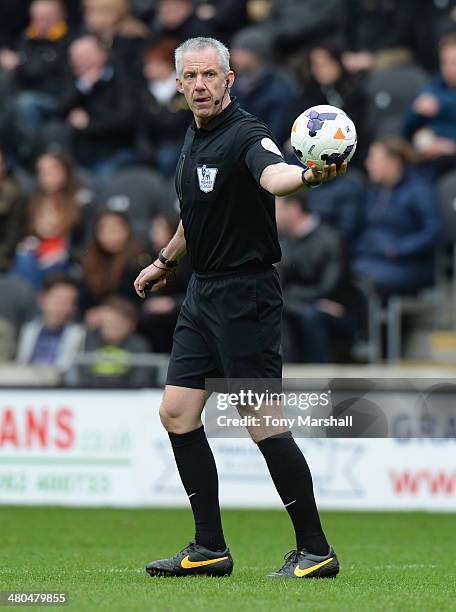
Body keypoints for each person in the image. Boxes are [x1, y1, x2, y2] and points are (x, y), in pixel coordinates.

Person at [134, 37, 347, 579]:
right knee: (177, 413)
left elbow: (272, 175)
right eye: (192, 77)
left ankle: (316, 551)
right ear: (179, 84)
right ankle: (209, 549)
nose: (201, 85)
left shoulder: (247, 134)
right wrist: (165, 260)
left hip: (245, 296)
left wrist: (307, 174)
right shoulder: (194, 134)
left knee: (262, 421)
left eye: (211, 75)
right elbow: (195, 212)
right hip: (202, 292)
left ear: (229, 80)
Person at [353, 137, 441, 296]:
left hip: (408, 266)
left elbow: (433, 231)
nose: (368, 164)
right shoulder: (375, 191)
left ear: (393, 161)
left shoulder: (418, 190)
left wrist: (399, 249)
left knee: (360, 285)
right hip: (370, 260)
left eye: (374, 160)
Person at [278, 191, 358, 363]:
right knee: (277, 311)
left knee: (310, 315)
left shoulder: (330, 239)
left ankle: (318, 376)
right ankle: (284, 375)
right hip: (299, 305)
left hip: (337, 309)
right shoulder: (282, 242)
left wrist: (296, 299)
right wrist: (305, 302)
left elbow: (330, 286)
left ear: (293, 208)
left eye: (277, 207)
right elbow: (277, 285)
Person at [59, 35, 137, 181]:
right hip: (82, 153)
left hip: (115, 151)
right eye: (76, 58)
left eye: (87, 56)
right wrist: (83, 87)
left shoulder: (121, 78)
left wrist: (88, 125)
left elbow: (125, 120)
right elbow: (60, 110)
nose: (82, 62)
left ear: (103, 55)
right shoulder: (76, 83)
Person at [11, 152, 81, 290]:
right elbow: (25, 233)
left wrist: (65, 254)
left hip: (65, 259)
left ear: (65, 171)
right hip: (38, 255)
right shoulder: (32, 202)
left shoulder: (80, 202)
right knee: (23, 258)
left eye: (52, 170)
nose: (46, 176)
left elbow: (84, 243)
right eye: (41, 172)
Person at [404, 33, 456, 175]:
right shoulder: (432, 87)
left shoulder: (436, 97)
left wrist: (451, 146)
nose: (448, 68)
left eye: (454, 62)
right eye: (444, 62)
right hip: (428, 160)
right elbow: (408, 128)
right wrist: (415, 112)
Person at [76, 295, 150, 387]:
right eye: (109, 322)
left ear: (131, 325)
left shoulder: (138, 344)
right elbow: (82, 373)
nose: (113, 327)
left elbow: (141, 378)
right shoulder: (89, 339)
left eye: (118, 323)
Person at [16, 273, 84, 369]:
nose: (61, 306)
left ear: (73, 308)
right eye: (57, 299)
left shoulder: (80, 335)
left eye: (68, 301)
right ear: (42, 299)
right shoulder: (26, 330)